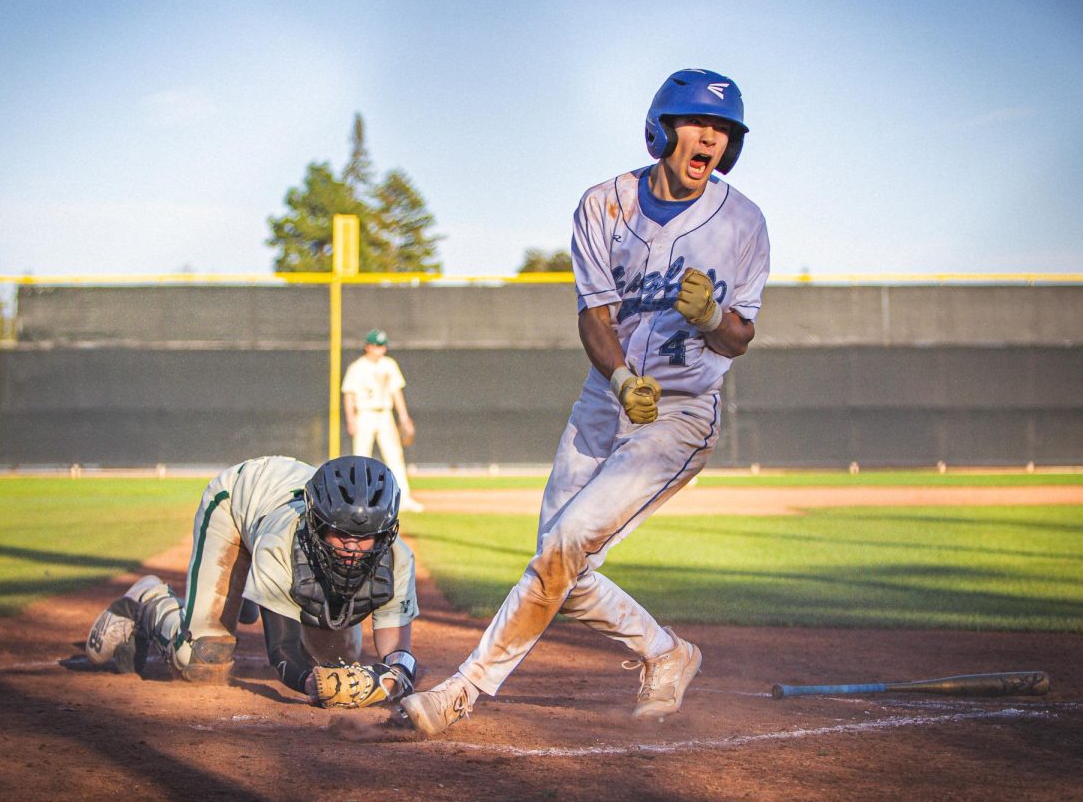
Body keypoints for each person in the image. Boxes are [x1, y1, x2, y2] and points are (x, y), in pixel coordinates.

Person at [400, 68, 770, 735]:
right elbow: (594, 315)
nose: (709, 138)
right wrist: (623, 379)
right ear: (663, 128)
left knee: (566, 545)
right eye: (698, 123)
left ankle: (466, 688)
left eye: (722, 130)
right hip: (607, 399)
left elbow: (740, 334)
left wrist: (713, 313)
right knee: (560, 565)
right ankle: (667, 652)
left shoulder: (742, 222)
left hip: (682, 414)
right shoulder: (603, 205)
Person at [85, 455, 419, 707]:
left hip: (268, 511)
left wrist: (395, 677)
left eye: (365, 537)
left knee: (340, 655)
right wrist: (311, 684)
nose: (352, 546)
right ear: (317, 523)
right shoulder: (282, 541)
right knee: (202, 658)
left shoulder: (397, 559)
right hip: (235, 505)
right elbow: (282, 650)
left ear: (385, 532)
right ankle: (148, 599)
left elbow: (396, 652)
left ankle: (245, 594)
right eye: (341, 533)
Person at [341, 329, 424, 512]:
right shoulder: (357, 367)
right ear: (367, 346)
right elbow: (349, 395)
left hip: (384, 413)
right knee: (361, 457)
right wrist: (351, 419)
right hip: (364, 413)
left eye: (382, 346)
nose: (380, 349)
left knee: (394, 455)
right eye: (376, 345)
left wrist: (403, 417)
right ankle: (359, 500)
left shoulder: (389, 364)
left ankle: (404, 498)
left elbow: (396, 392)